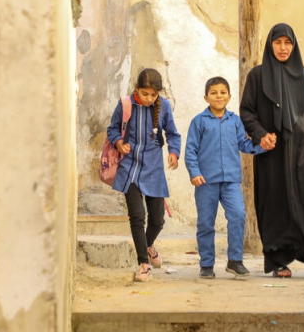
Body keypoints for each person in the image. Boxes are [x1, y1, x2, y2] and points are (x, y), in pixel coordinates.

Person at [240, 23, 304, 278]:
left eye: (288, 43)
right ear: (270, 45)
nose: (283, 48)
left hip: (303, 146)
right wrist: (261, 135)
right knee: (275, 202)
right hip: (272, 150)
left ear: (293, 45)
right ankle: (278, 261)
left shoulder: (303, 76)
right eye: (278, 42)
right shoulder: (257, 76)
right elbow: (247, 111)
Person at [184, 77, 264, 279]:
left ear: (229, 96)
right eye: (214, 93)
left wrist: (262, 146)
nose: (218, 96)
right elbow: (191, 151)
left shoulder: (235, 121)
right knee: (205, 223)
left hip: (230, 181)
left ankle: (235, 260)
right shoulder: (199, 122)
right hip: (205, 182)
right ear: (206, 97)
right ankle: (207, 264)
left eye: (222, 92)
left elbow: (244, 145)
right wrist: (194, 173)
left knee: (238, 215)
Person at [108, 68, 181, 282]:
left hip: (153, 170)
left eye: (153, 95)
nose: (149, 98)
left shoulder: (164, 106)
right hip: (129, 169)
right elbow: (112, 129)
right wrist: (119, 143)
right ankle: (143, 264)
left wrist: (174, 152)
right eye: (144, 93)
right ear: (136, 89)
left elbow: (173, 134)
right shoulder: (125, 105)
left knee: (157, 220)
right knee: (137, 216)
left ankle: (148, 245)